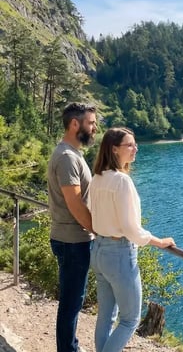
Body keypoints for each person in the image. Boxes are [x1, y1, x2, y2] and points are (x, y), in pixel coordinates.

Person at [89, 127, 176, 352]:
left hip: (98, 250)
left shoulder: (98, 177)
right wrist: (159, 242)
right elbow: (130, 229)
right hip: (119, 254)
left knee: (106, 316)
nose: (135, 148)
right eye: (130, 145)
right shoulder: (121, 181)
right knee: (130, 320)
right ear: (114, 149)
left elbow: (90, 213)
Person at [47, 102, 97, 352]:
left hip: (71, 239)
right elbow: (75, 203)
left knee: (71, 301)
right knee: (70, 302)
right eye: (90, 123)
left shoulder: (72, 153)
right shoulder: (67, 157)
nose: (94, 128)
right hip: (72, 241)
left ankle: (70, 347)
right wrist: (97, 230)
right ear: (75, 124)